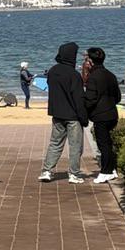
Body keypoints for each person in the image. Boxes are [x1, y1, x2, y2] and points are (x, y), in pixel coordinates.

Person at [40, 42, 88, 183]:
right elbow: (78, 99)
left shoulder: (53, 71)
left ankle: (47, 171)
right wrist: (84, 118)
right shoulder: (74, 75)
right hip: (73, 116)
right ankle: (74, 174)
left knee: (55, 143)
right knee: (75, 145)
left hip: (57, 113)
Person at [83, 47, 121, 182]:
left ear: (91, 61)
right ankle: (113, 169)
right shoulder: (110, 75)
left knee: (103, 144)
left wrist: (84, 110)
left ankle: (106, 171)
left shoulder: (93, 77)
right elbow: (118, 97)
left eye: (87, 59)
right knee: (108, 143)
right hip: (112, 114)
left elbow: (90, 99)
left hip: (101, 116)